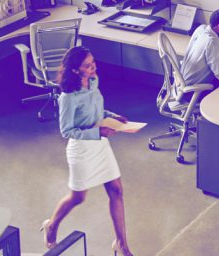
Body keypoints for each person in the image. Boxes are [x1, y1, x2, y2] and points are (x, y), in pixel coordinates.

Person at [41, 46, 134, 256]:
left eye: (93, 62)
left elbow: (97, 112)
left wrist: (113, 116)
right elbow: (66, 130)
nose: (94, 67)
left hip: (100, 145)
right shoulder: (68, 96)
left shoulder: (93, 82)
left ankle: (122, 245)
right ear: (75, 70)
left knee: (117, 191)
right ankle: (52, 225)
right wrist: (97, 132)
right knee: (78, 198)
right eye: (87, 65)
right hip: (82, 149)